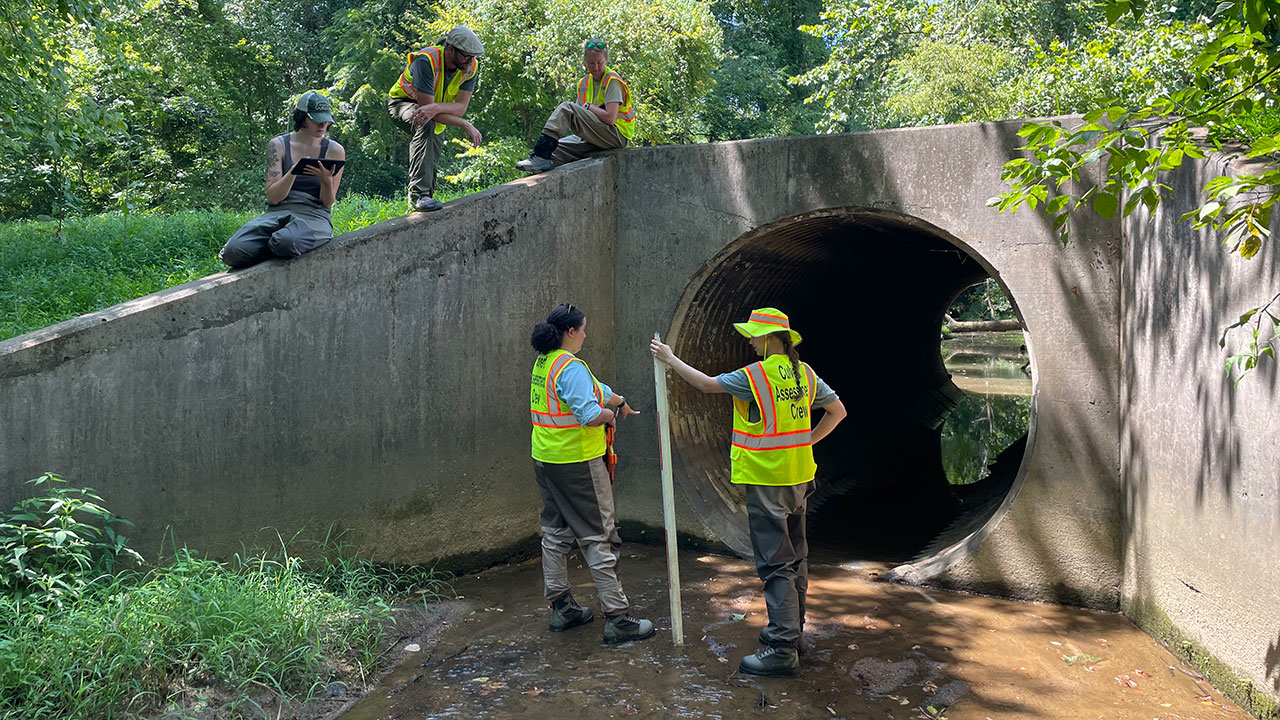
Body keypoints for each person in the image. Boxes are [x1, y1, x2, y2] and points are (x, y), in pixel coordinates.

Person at [650, 308, 847, 677]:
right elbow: (838, 411)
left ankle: (782, 647)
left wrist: (671, 358)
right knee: (796, 556)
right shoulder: (803, 373)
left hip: (768, 481)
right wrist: (807, 442)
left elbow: (707, 385)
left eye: (755, 335)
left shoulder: (755, 376)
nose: (750, 341)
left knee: (775, 562)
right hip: (800, 478)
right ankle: (793, 632)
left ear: (771, 338)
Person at [529, 303, 656, 644]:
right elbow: (587, 412)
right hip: (578, 464)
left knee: (555, 534)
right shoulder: (570, 367)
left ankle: (562, 608)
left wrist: (618, 400)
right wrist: (609, 416)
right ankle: (618, 618)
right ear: (570, 331)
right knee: (599, 535)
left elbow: (591, 387)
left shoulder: (546, 362)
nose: (586, 334)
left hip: (547, 461)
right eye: (583, 328)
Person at [219, 91, 345, 268]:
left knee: (285, 242)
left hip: (314, 214)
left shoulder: (334, 150)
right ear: (302, 118)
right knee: (232, 253)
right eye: (317, 119)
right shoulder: (278, 145)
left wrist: (325, 180)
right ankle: (270, 243)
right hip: (278, 210)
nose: (323, 124)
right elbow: (274, 197)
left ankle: (276, 243)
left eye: (326, 119)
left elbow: (327, 202)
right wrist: (294, 170)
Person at [387, 26, 485, 213]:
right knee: (426, 124)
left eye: (473, 57)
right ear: (450, 50)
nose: (470, 61)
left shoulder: (470, 67)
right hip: (402, 103)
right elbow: (425, 112)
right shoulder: (426, 61)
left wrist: (439, 107)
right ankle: (418, 196)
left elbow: (461, 107)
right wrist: (465, 124)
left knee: (433, 150)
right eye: (466, 56)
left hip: (433, 109)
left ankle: (425, 200)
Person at [516, 39, 634, 173]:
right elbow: (579, 123)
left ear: (606, 60)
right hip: (595, 136)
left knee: (567, 108)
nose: (595, 67)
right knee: (554, 151)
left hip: (616, 136)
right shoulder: (584, 83)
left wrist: (589, 107)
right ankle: (540, 163)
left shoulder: (612, 80)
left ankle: (541, 152)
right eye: (591, 63)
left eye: (599, 62)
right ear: (585, 62)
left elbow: (610, 118)